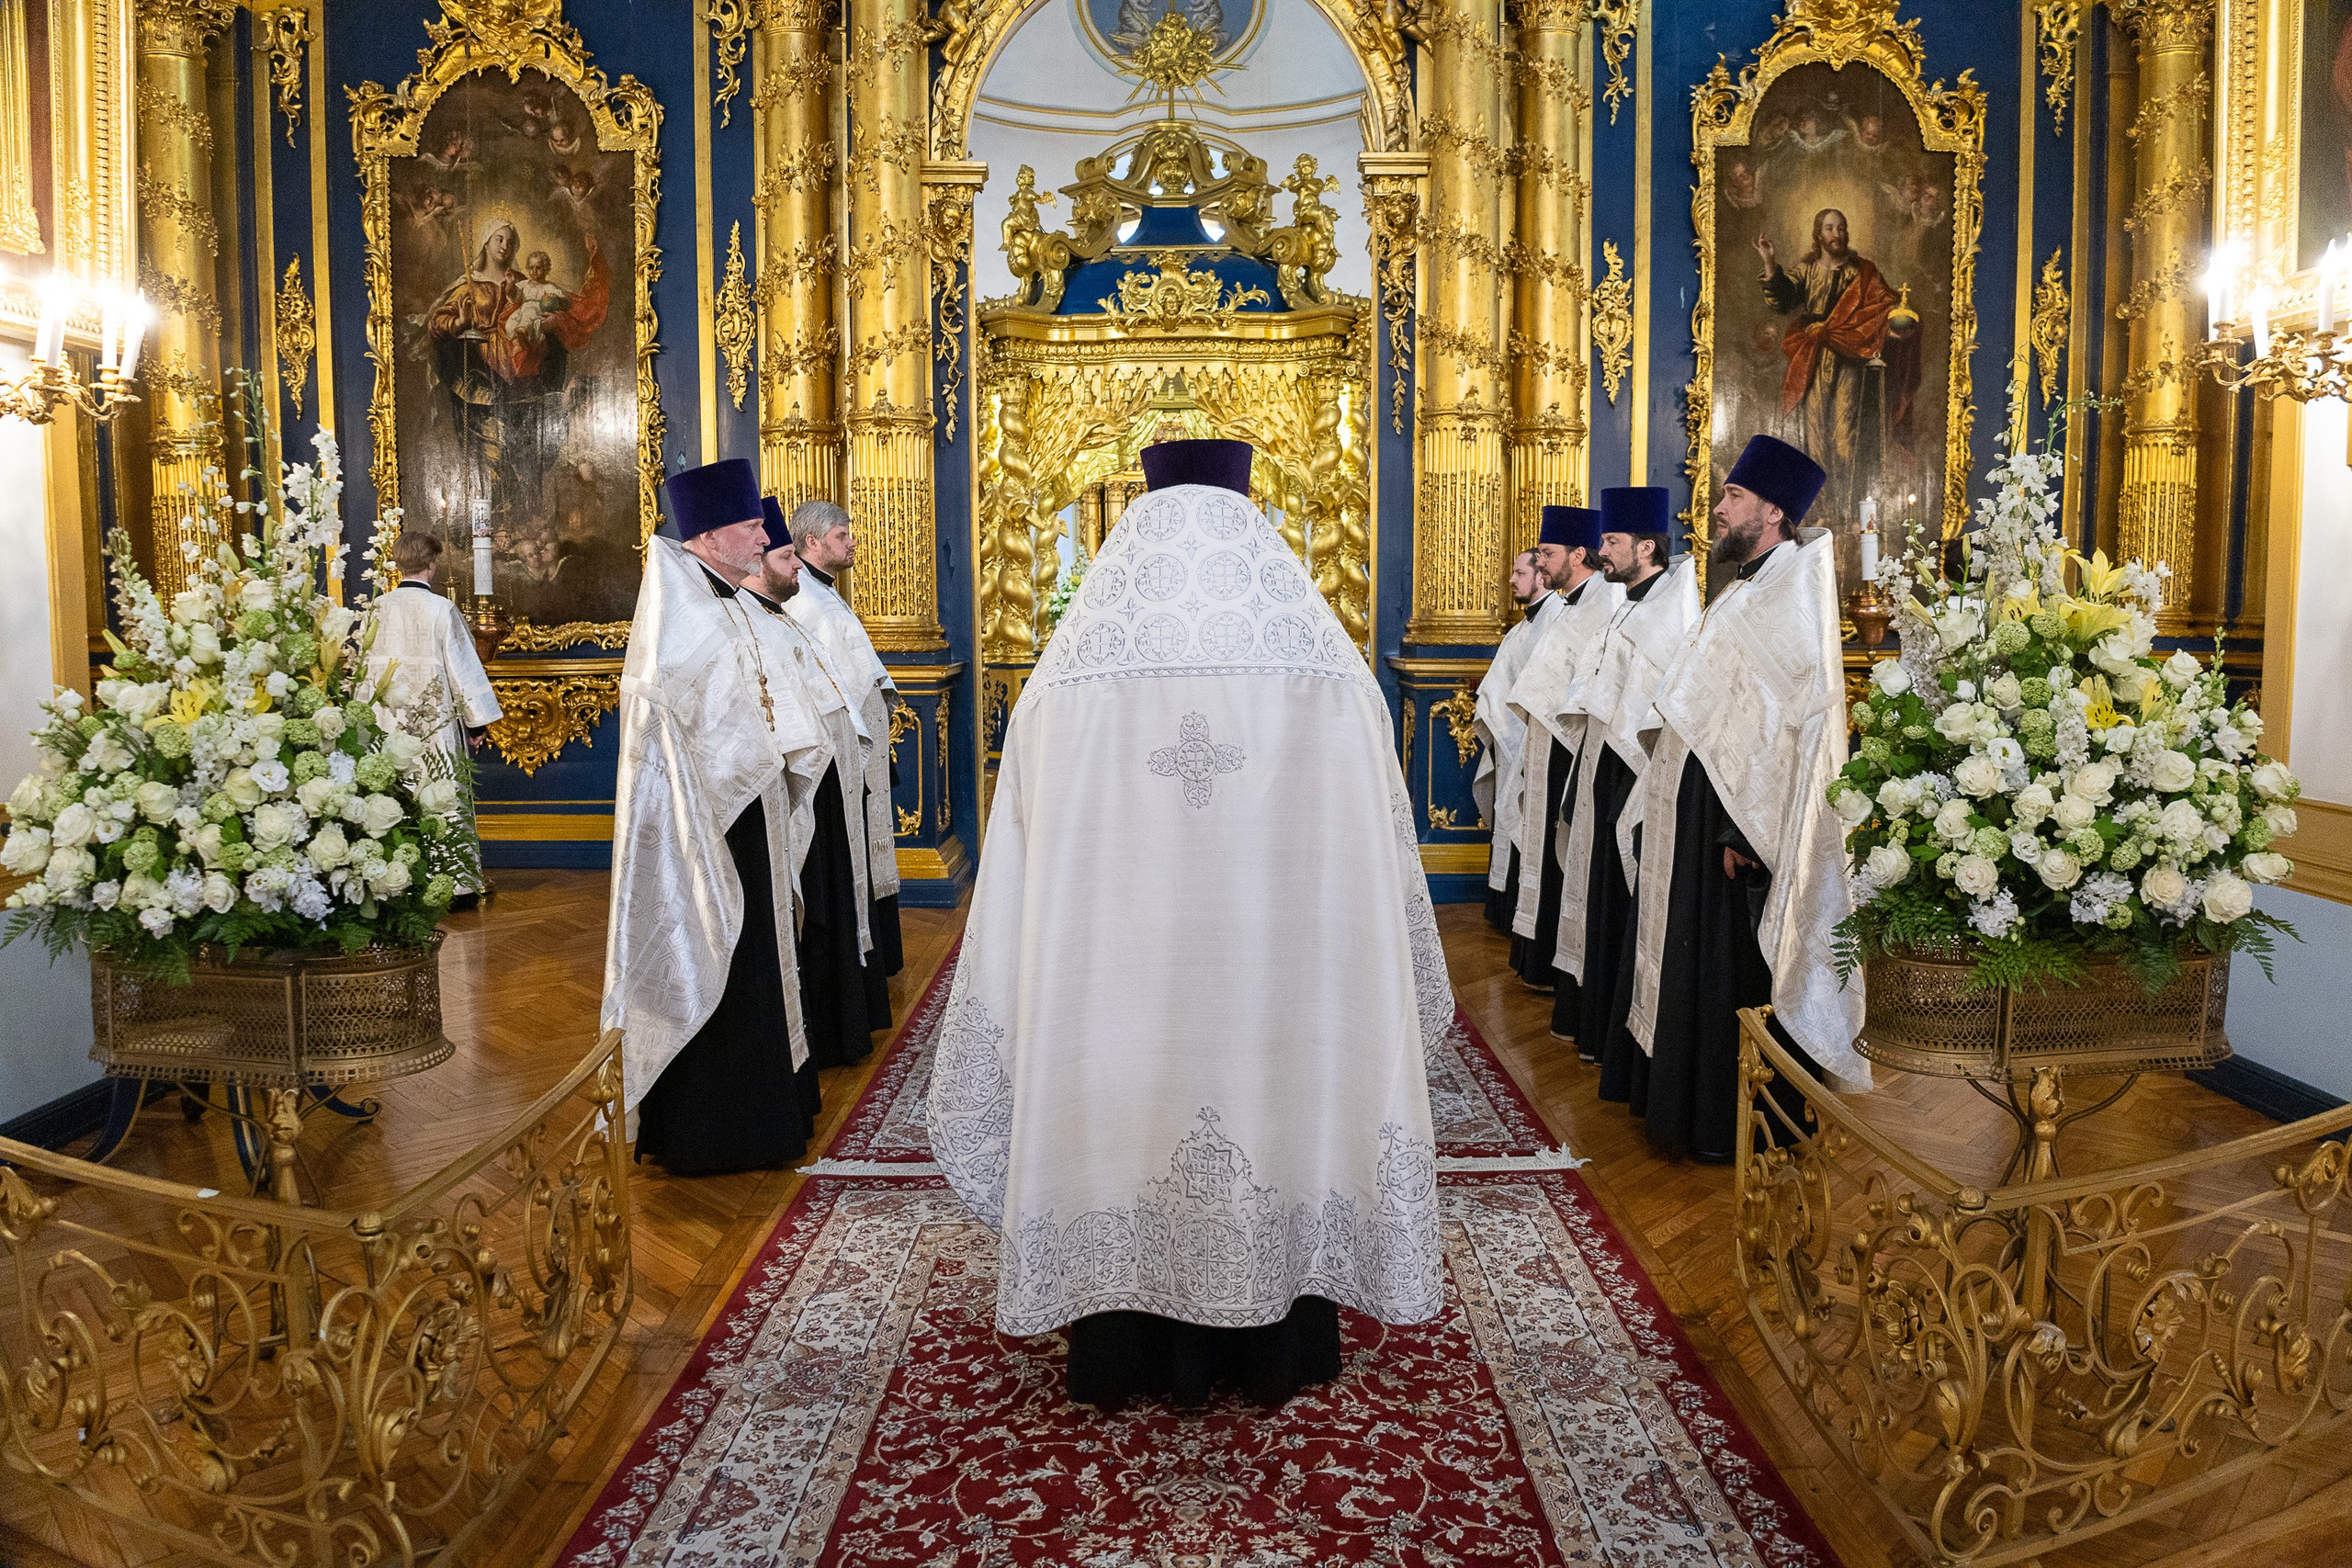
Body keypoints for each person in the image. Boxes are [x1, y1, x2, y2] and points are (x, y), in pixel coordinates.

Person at [929, 439, 1447, 1411]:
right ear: (1251, 514)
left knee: (1122, 1111)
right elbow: (1375, 856)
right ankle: (1279, 1339)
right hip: (1278, 1003)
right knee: (1274, 1102)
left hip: (1115, 1003)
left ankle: (1120, 1341)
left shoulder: (1067, 681)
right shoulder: (1329, 676)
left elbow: (1023, 860)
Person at [1624, 435, 1870, 1163]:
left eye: (1733, 496)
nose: (1718, 508)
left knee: (1730, 971)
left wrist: (1740, 833)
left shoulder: (1792, 594)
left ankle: (1739, 1125)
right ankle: (1691, 1111)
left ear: (1771, 510)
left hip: (1736, 827)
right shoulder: (1750, 586)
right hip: (1702, 806)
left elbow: (1790, 731)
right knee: (1699, 966)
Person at [603, 457, 820, 1177]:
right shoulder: (685, 612)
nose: (764, 536)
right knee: (718, 955)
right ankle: (717, 1130)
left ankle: (763, 1116)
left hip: (744, 809)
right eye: (752, 525)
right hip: (707, 822)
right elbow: (697, 731)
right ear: (710, 534)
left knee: (754, 960)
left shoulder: (717, 598)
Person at [1545, 487, 1699, 1084]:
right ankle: (1596, 1027)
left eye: (1611, 542)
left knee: (1619, 900)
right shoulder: (1628, 605)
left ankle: (1617, 1038)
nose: (1601, 551)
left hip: (1635, 773)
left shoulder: (1669, 614)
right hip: (1602, 766)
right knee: (1598, 897)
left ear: (1646, 547)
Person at [741, 497, 891, 1067]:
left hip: (829, 778)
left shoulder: (787, 612)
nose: (798, 568)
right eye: (786, 557)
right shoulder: (768, 618)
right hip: (799, 786)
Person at [785, 502, 904, 1026]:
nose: (852, 541)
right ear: (812, 542)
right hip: (835, 756)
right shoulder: (805, 599)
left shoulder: (823, 591)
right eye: (841, 534)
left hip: (858, 753)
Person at [1506, 505, 1623, 998]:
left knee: (1564, 853)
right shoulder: (1569, 603)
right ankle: (1540, 961)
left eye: (1547, 553)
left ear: (1578, 555)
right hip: (1550, 744)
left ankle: (1558, 965)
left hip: (1572, 747)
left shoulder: (1605, 601)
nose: (1540, 562)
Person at [1754, 208, 1918, 525]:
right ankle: (1821, 514)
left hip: (1850, 358)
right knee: (1814, 438)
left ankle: (1846, 513)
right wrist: (1769, 261)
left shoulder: (1862, 272)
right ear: (1819, 234)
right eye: (1830, 228)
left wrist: (1893, 325)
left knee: (1845, 438)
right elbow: (1782, 300)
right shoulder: (1807, 270)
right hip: (1814, 358)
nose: (1836, 234)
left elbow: (1885, 306)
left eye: (1841, 228)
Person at [367, 531, 503, 900]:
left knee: (393, 793)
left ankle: (395, 881)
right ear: (432, 563)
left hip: (386, 721)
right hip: (435, 722)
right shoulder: (441, 608)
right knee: (439, 791)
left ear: (399, 564)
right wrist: (477, 723)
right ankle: (453, 883)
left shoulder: (377, 608)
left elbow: (365, 670)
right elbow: (463, 668)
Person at [1474, 548, 1549, 931]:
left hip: (1532, 741)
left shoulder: (1555, 621)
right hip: (1511, 740)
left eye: (1520, 573)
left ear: (1541, 575)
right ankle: (1504, 911)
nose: (1512, 580)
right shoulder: (1522, 627)